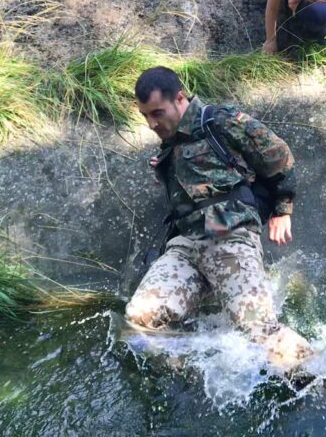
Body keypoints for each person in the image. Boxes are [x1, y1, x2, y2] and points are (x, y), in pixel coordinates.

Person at [125, 67, 314, 374]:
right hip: (184, 247)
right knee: (139, 319)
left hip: (230, 238)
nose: (151, 124)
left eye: (157, 113)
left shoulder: (220, 121)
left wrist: (282, 210)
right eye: (145, 115)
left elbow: (279, 155)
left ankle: (323, 380)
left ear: (180, 98)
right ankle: (199, 376)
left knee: (257, 330)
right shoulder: (170, 142)